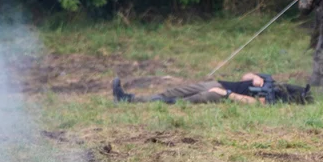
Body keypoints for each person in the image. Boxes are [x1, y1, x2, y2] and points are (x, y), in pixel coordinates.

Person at [112, 73, 312, 105]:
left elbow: (254, 103)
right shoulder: (268, 81)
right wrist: (256, 77)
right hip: (220, 84)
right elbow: (245, 76)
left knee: (181, 101)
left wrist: (226, 95)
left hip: (222, 94)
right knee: (174, 91)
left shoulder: (272, 98)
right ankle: (129, 97)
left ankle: (130, 100)